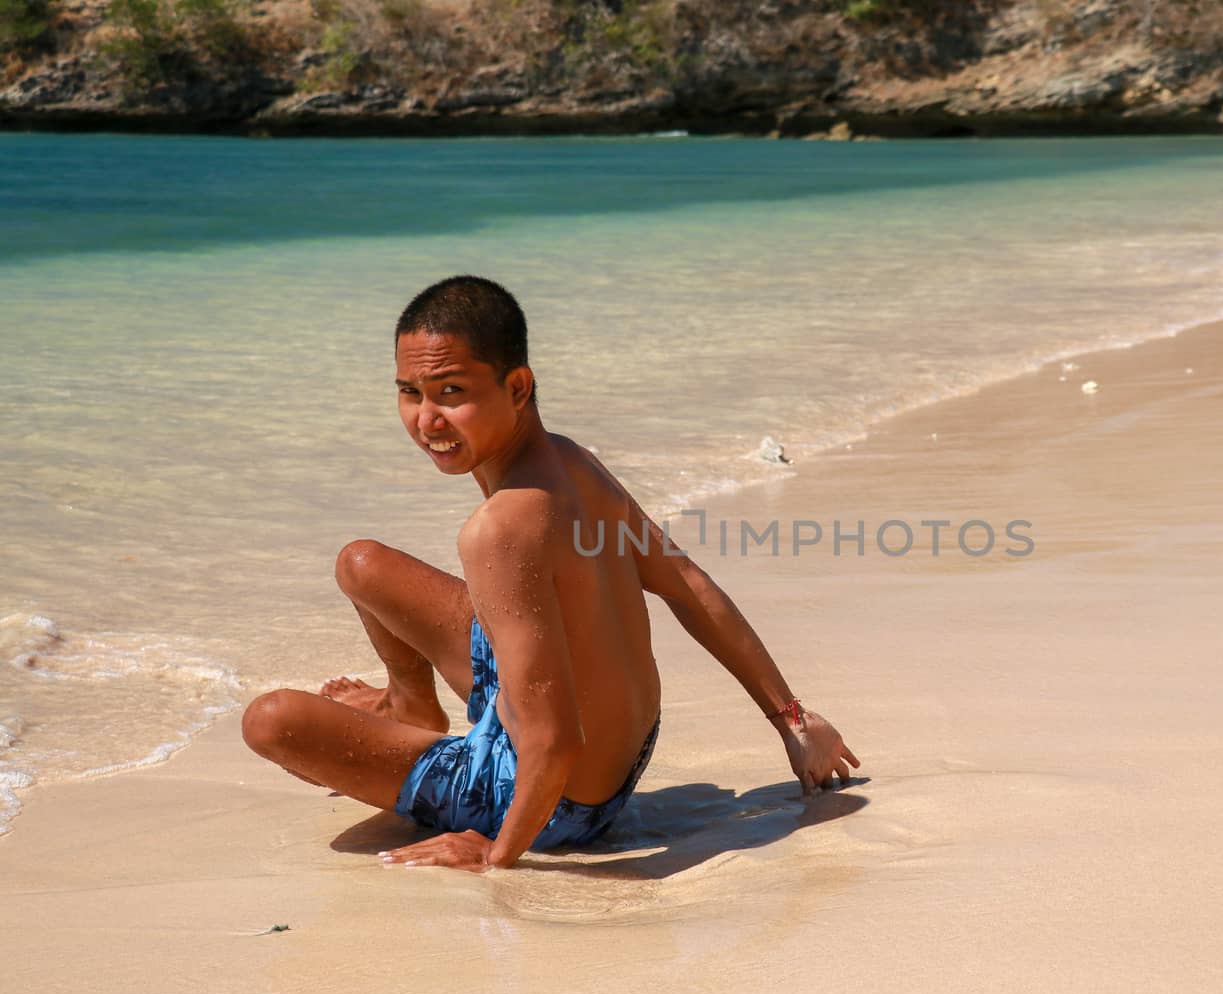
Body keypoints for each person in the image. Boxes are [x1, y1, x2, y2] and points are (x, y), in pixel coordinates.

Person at [241, 275, 859, 872]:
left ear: (517, 386)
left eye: (451, 392)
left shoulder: (499, 530)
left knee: (271, 721)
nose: (426, 421)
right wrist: (795, 722)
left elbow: (554, 738)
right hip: (616, 752)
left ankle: (462, 776)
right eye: (411, 392)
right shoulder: (571, 461)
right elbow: (686, 584)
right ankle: (411, 708)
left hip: (550, 799)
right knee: (361, 563)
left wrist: (494, 852)